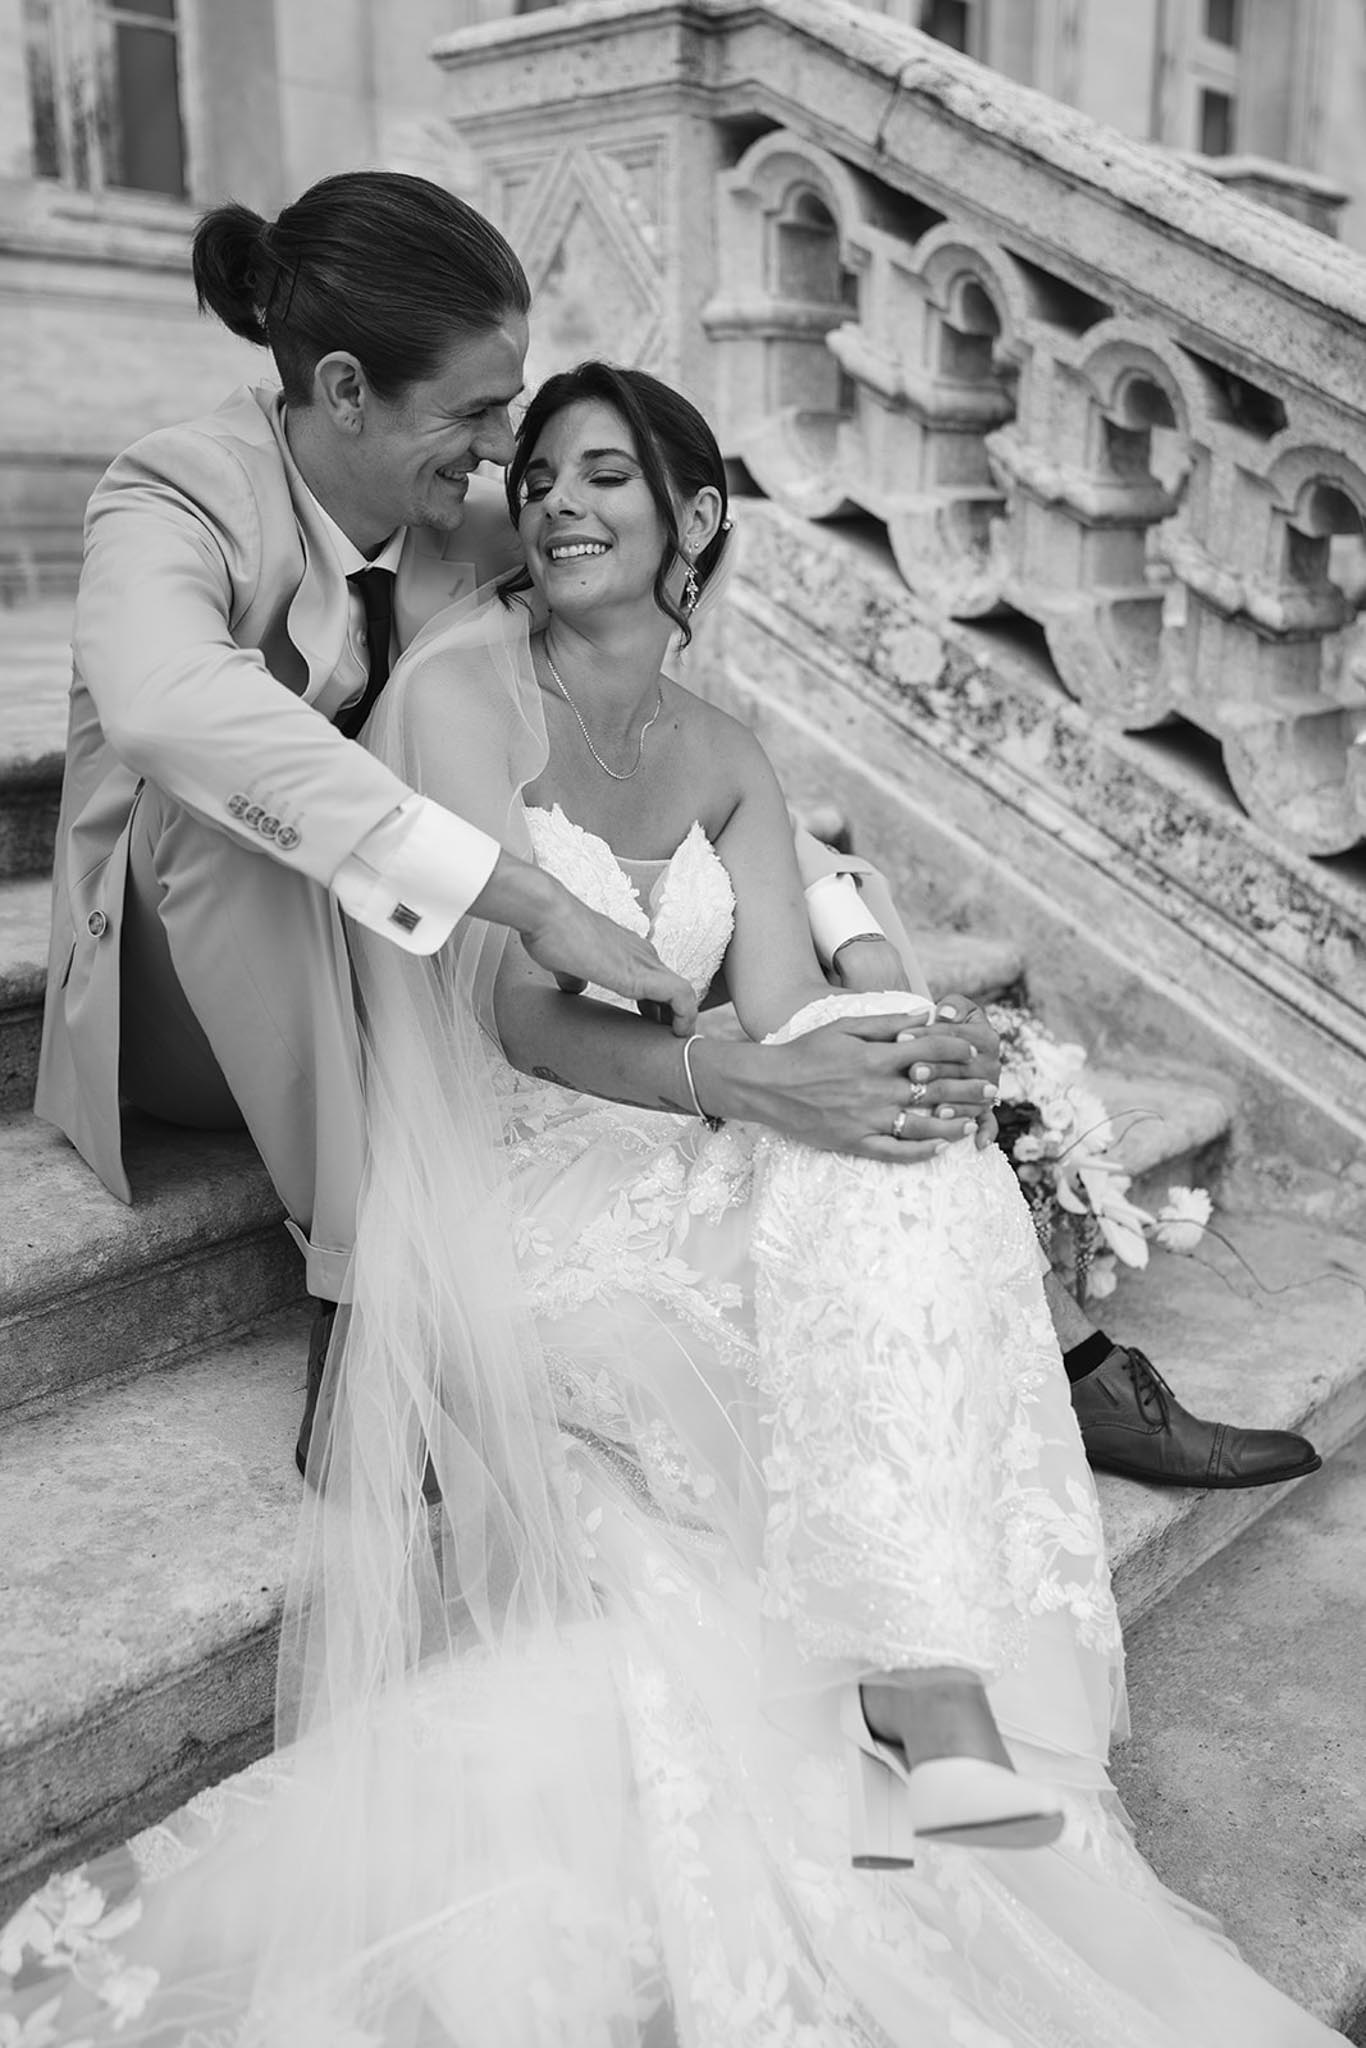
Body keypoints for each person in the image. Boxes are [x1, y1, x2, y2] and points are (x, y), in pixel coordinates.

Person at [4, 363, 1340, 2045]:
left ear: (693, 521)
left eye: (604, 479)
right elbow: (509, 1007)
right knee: (839, 1181)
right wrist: (745, 1083)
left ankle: (913, 1701)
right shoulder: (463, 690)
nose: (553, 502)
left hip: (679, 1128)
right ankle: (926, 1720)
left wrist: (891, 1048)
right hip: (524, 1167)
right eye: (539, 472)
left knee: (908, 1148)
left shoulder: (724, 750)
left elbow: (779, 1001)